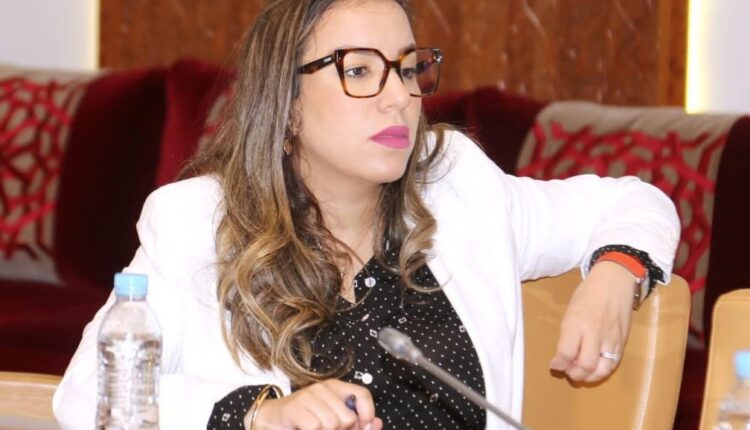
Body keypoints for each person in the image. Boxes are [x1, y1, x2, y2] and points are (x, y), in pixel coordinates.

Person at [53, 0, 680, 429]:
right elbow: (90, 397)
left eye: (407, 68)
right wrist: (260, 413)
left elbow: (634, 201)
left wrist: (615, 275)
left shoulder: (457, 185)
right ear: (286, 104)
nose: (398, 97)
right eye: (358, 70)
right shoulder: (196, 222)